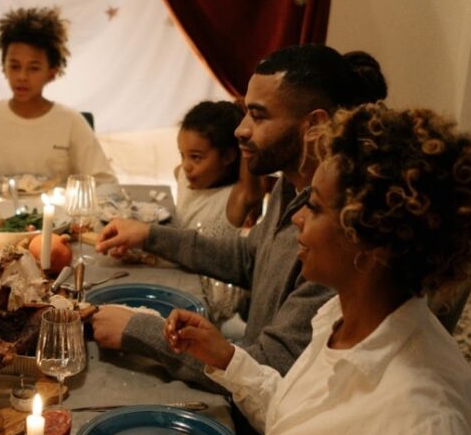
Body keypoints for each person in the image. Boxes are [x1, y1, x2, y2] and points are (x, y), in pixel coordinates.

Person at [164, 103, 471, 435]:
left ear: (371, 245)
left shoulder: (423, 410)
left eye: (316, 207)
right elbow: (307, 422)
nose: (295, 217)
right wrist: (229, 360)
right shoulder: (345, 319)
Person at [93, 44, 387, 384]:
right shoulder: (290, 184)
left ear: (314, 124)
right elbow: (249, 258)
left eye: (259, 116)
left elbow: (269, 367)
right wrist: (149, 235)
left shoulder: (335, 232)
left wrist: (139, 331)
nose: (241, 129)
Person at [0, 6, 116, 185]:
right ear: (3, 67)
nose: (22, 77)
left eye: (33, 68)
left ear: (51, 72)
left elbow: (105, 182)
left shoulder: (70, 122)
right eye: (15, 66)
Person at [171, 100, 243, 237]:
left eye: (196, 157)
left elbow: (253, 189)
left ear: (228, 156)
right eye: (182, 155)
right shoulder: (182, 176)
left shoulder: (235, 199)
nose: (186, 166)